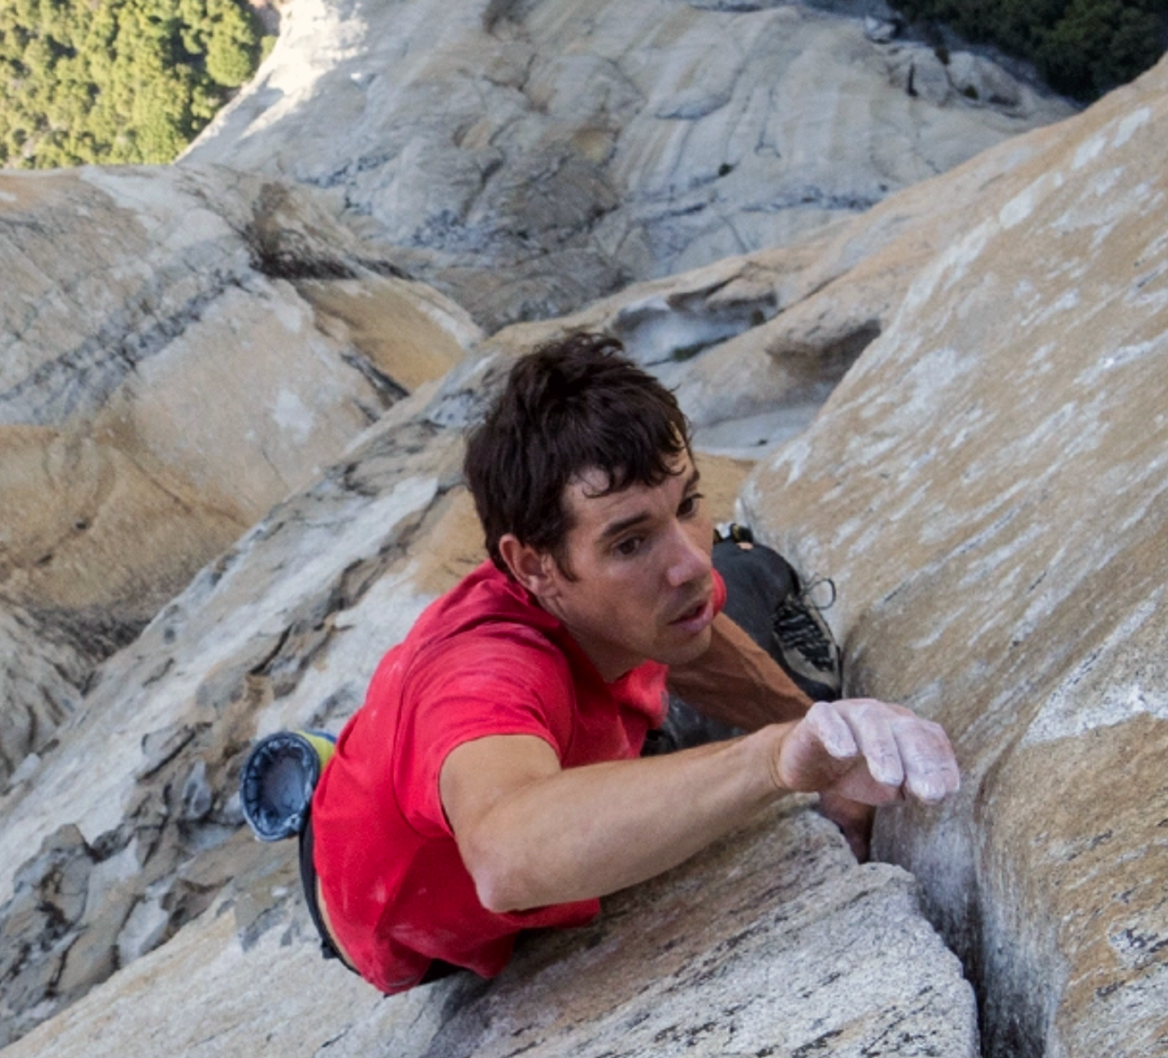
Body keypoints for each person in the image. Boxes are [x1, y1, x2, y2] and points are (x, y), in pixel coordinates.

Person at [273, 333, 958, 995]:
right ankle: (343, 771)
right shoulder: (482, 673)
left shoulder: (643, 589)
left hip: (572, 721)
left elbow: (705, 642)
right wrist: (776, 759)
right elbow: (507, 854)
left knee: (745, 575)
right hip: (399, 910)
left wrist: (821, 737)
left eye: (688, 504)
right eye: (630, 543)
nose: (690, 562)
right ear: (532, 566)